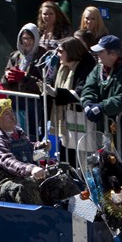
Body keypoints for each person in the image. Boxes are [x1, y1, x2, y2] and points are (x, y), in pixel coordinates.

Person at [80, 35, 122, 219]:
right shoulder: (100, 67)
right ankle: (118, 212)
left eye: (101, 52)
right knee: (112, 176)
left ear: (114, 54)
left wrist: (101, 107)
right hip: (107, 134)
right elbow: (89, 86)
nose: (98, 56)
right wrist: (88, 102)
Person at [45, 36, 96, 166]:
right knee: (66, 158)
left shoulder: (86, 66)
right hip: (66, 122)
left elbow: (81, 91)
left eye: (61, 51)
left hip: (80, 120)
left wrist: (57, 93)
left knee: (82, 162)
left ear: (71, 52)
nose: (58, 54)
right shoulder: (60, 67)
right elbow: (51, 81)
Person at [0, 98, 48, 205]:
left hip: (25, 177)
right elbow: (9, 162)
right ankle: (39, 219)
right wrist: (32, 169)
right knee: (25, 188)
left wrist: (40, 146)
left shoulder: (18, 132)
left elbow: (28, 148)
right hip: (5, 184)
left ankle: (72, 217)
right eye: (6, 114)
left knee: (58, 179)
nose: (12, 116)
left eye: (11, 112)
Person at [1, 23, 46, 139]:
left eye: (30, 38)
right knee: (15, 132)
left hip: (33, 103)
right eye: (24, 38)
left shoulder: (43, 56)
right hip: (15, 101)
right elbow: (3, 81)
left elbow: (43, 83)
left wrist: (24, 77)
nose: (27, 42)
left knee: (32, 135)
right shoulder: (15, 56)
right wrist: (8, 76)